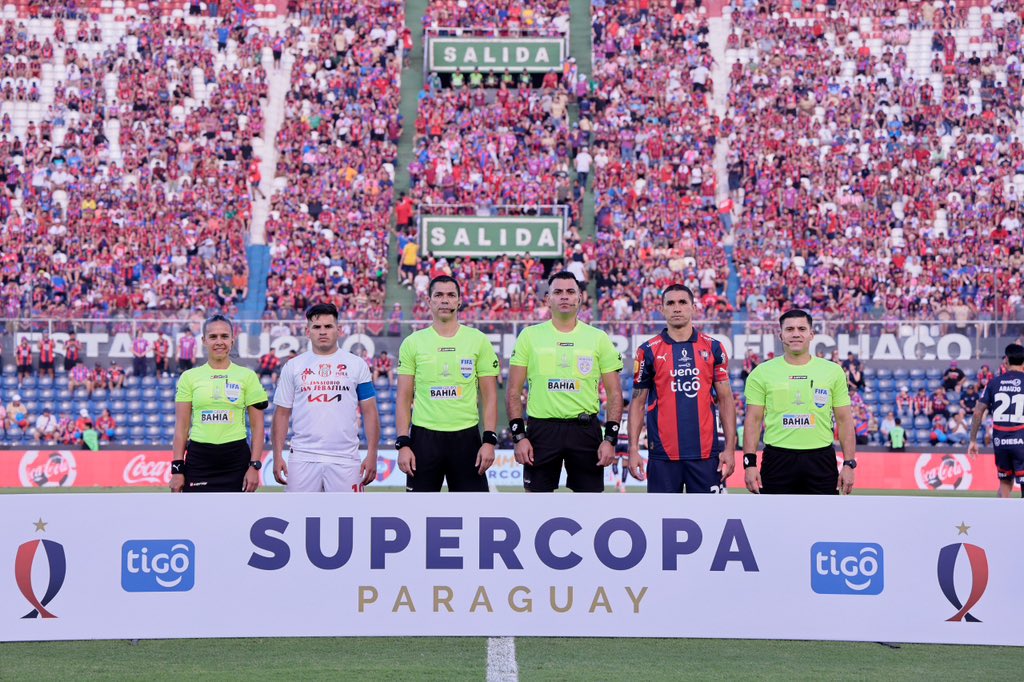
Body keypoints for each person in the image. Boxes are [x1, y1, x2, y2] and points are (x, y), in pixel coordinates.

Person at [507, 271, 624, 492]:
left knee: (589, 505)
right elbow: (513, 390)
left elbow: (615, 393)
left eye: (570, 292)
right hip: (541, 430)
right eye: (558, 292)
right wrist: (519, 437)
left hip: (584, 430)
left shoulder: (598, 338)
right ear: (548, 298)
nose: (564, 297)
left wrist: (610, 439)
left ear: (580, 297)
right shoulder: (529, 336)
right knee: (536, 503)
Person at [627, 284, 737, 493]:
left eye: (682, 302)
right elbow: (638, 402)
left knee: (712, 520)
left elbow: (725, 399)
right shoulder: (647, 351)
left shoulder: (713, 347)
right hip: (662, 457)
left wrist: (730, 448)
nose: (677, 308)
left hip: (706, 457)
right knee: (661, 521)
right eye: (670, 303)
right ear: (662, 309)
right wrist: (633, 449)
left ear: (693, 308)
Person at [396, 276, 500, 492]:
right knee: (418, 514)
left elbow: (490, 396)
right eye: (439, 295)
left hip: (466, 438)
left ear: (459, 301)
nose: (445, 300)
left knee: (474, 514)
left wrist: (489, 440)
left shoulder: (478, 340)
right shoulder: (412, 342)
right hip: (424, 438)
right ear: (429, 301)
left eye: (451, 295)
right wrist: (403, 443)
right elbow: (404, 398)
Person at [742, 309, 857, 495]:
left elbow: (844, 420)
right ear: (780, 335)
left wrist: (849, 464)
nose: (796, 333)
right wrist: (749, 464)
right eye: (789, 329)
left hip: (821, 459)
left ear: (811, 335)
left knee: (823, 521)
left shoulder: (833, 371)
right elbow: (753, 421)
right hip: (777, 459)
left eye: (802, 328)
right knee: (774, 521)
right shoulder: (761, 373)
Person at [271, 303, 379, 492]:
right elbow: (281, 414)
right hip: (303, 457)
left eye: (328, 327)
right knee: (298, 518)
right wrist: (277, 454)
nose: (322, 332)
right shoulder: (293, 366)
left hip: (345, 458)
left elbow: (370, 412)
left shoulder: (357, 365)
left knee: (349, 519)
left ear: (339, 330)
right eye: (317, 327)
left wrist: (372, 454)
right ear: (307, 331)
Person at [170, 315, 268, 493]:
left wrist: (254, 466)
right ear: (204, 341)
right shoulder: (189, 377)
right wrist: (177, 468)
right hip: (199, 459)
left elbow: (258, 426)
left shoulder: (248, 376)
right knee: (196, 518)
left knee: (236, 519)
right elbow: (182, 427)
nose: (219, 342)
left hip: (236, 459)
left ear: (232, 339)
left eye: (224, 336)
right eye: (213, 337)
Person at [968, 343, 1024, 498]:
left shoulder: (993, 383)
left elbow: (978, 411)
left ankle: (1002, 521)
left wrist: (973, 440)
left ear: (1006, 361)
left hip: (1001, 442)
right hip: (1022, 441)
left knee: (1004, 485)